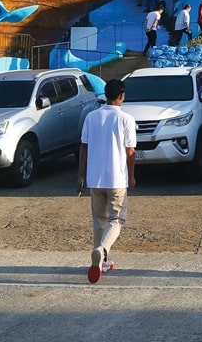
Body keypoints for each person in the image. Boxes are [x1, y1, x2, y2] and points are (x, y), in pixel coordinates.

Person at [77, 79, 137, 284]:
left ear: (105, 94)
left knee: (99, 220)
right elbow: (130, 152)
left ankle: (101, 262)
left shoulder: (91, 117)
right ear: (122, 96)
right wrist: (132, 176)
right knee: (117, 219)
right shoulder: (126, 119)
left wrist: (80, 176)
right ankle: (102, 251)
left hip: (94, 178)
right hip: (117, 178)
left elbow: (83, 148)